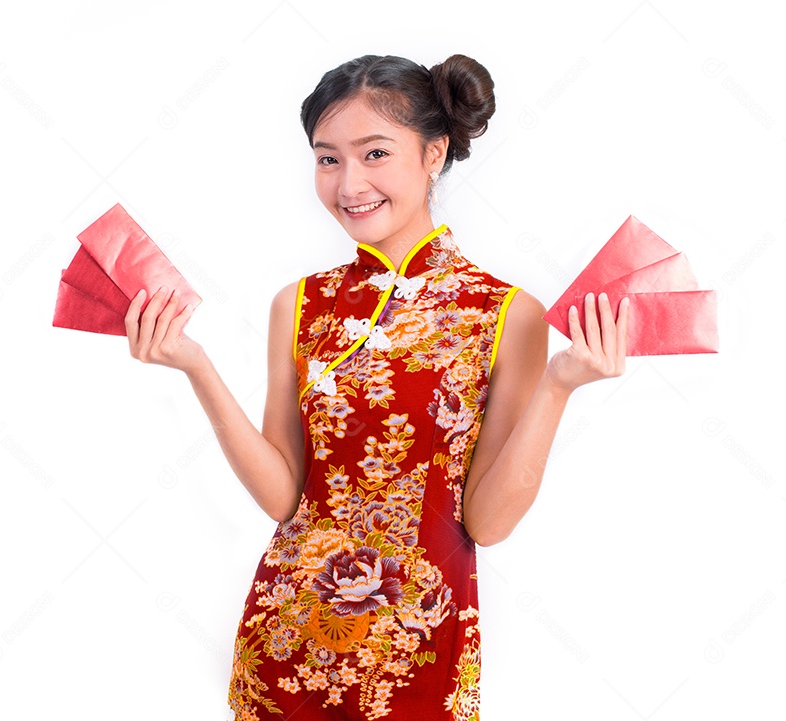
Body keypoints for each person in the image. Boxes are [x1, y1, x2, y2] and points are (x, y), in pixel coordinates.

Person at [126, 54, 627, 721]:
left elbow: (488, 521)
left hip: (421, 648)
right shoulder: (298, 304)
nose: (349, 183)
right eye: (327, 159)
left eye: (374, 153)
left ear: (434, 152)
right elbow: (284, 495)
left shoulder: (506, 313)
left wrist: (560, 385)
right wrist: (195, 366)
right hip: (291, 637)